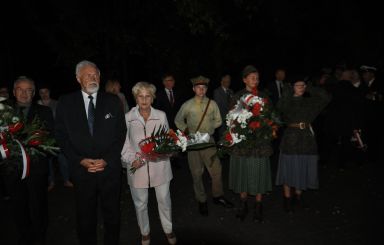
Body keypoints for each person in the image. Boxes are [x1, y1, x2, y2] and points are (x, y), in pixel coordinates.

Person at [55, 60, 127, 245]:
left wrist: (107, 159)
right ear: (78, 78)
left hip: (109, 170)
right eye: (88, 75)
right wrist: (79, 160)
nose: (93, 78)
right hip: (82, 171)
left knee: (112, 214)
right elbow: (61, 137)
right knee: (85, 215)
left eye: (96, 75)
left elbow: (120, 133)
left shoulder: (112, 101)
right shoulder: (65, 102)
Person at [121, 81, 176, 245]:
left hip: (160, 166)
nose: (144, 100)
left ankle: (168, 229)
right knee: (140, 203)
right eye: (140, 96)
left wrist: (167, 149)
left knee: (164, 200)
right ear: (135, 98)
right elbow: (124, 144)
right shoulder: (128, 118)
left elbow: (168, 140)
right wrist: (132, 160)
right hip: (138, 168)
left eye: (147, 96)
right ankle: (144, 232)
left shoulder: (161, 115)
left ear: (152, 98)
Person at [3, 76, 54, 245]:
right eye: (20, 89)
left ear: (33, 93)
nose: (24, 93)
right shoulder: (4, 111)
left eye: (28, 90)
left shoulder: (44, 111)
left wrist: (35, 144)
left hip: (36, 168)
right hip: (11, 168)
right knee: (18, 205)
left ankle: (40, 237)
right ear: (14, 91)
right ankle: (24, 235)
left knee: (38, 205)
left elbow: (51, 138)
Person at [174, 75, 233, 217]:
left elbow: (219, 120)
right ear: (194, 89)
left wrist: (210, 129)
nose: (201, 90)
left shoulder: (212, 104)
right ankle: (201, 200)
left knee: (216, 170)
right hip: (193, 143)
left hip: (208, 141)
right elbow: (178, 120)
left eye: (204, 88)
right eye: (198, 88)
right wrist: (188, 132)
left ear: (206, 89)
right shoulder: (187, 105)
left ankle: (217, 196)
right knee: (196, 173)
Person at [275, 75, 331, 213]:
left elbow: (326, 97)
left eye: (302, 85)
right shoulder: (287, 102)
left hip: (306, 138)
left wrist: (310, 87)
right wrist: (288, 91)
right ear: (292, 87)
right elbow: (279, 107)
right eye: (297, 85)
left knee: (302, 166)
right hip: (290, 139)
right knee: (288, 168)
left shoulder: (310, 102)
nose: (300, 87)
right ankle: (287, 198)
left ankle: (298, 196)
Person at [228, 65, 274, 223]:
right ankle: (243, 204)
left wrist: (266, 127)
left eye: (257, 77)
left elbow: (270, 119)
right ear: (244, 79)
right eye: (252, 77)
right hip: (243, 144)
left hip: (260, 144)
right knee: (243, 173)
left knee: (259, 173)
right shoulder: (237, 97)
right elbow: (232, 119)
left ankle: (258, 205)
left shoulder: (264, 97)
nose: (256, 80)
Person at [37, 85, 73, 190]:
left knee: (63, 158)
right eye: (41, 92)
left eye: (46, 91)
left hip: (58, 136)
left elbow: (63, 119)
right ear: (39, 93)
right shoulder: (36, 104)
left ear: (49, 92)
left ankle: (66, 180)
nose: (44, 94)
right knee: (47, 161)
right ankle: (51, 182)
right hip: (43, 137)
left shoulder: (57, 104)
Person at [155, 74, 184, 169]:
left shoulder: (179, 93)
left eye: (170, 80)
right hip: (164, 124)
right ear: (163, 82)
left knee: (177, 142)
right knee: (166, 143)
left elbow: (182, 109)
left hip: (177, 123)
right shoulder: (159, 94)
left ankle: (177, 161)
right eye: (166, 80)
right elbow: (157, 109)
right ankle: (168, 163)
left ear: (174, 82)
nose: (169, 82)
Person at [213, 74, 234, 141]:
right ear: (222, 82)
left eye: (229, 81)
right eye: (226, 81)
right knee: (222, 138)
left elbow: (234, 103)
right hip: (222, 120)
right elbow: (218, 106)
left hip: (231, 120)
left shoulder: (231, 91)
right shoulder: (217, 91)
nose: (228, 82)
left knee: (231, 137)